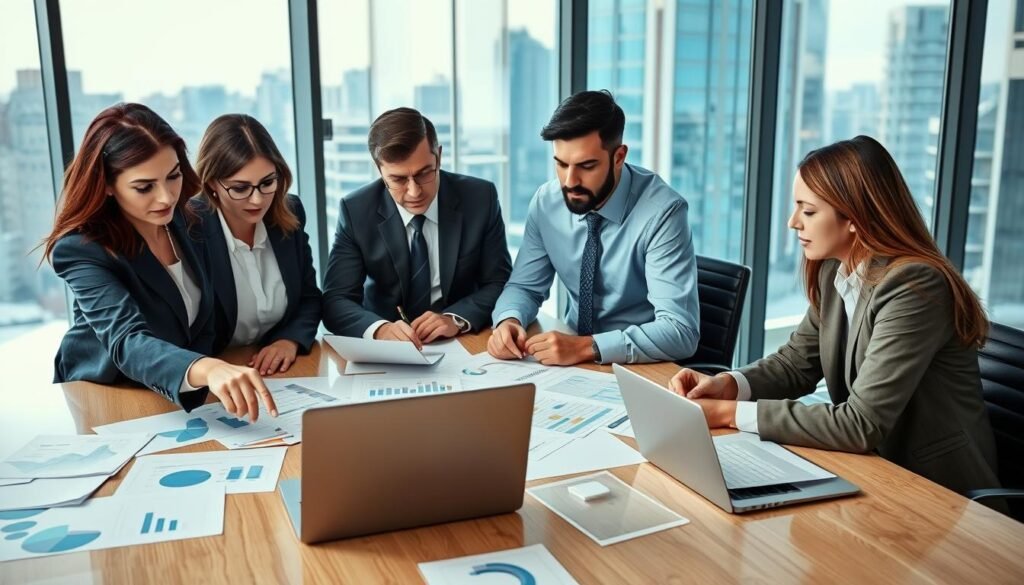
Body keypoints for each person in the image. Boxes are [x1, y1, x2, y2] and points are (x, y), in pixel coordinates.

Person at [669, 135, 999, 494]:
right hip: (872, 472)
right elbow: (795, 364)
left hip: (938, 492)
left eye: (808, 211)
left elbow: (860, 423)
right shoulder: (836, 272)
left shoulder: (914, 286)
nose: (794, 222)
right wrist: (728, 386)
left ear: (854, 217)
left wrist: (726, 413)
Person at [43, 103, 277, 421]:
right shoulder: (82, 250)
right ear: (108, 185)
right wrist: (205, 368)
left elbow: (202, 319)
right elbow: (127, 341)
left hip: (179, 392)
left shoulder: (189, 218)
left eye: (173, 176)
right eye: (144, 187)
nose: (166, 197)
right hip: (107, 395)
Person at [487, 90, 700, 366]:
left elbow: (680, 331)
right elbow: (525, 287)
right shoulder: (546, 202)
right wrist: (509, 319)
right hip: (571, 361)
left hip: (639, 367)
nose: (569, 181)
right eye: (561, 165)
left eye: (586, 166)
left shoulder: (663, 213)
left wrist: (588, 347)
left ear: (619, 157)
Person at [322, 107, 512, 346]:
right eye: (398, 179)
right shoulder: (356, 210)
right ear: (378, 168)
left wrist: (456, 318)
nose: (414, 192)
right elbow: (336, 300)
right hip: (387, 348)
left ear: (439, 156)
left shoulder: (480, 198)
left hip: (462, 342)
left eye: (424, 173)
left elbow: (500, 282)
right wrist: (380, 330)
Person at [190, 114, 322, 375]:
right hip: (216, 374)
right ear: (212, 183)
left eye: (267, 182)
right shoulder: (190, 227)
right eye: (240, 188)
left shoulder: (290, 211)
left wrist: (290, 340)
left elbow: (309, 298)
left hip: (278, 372)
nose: (258, 199)